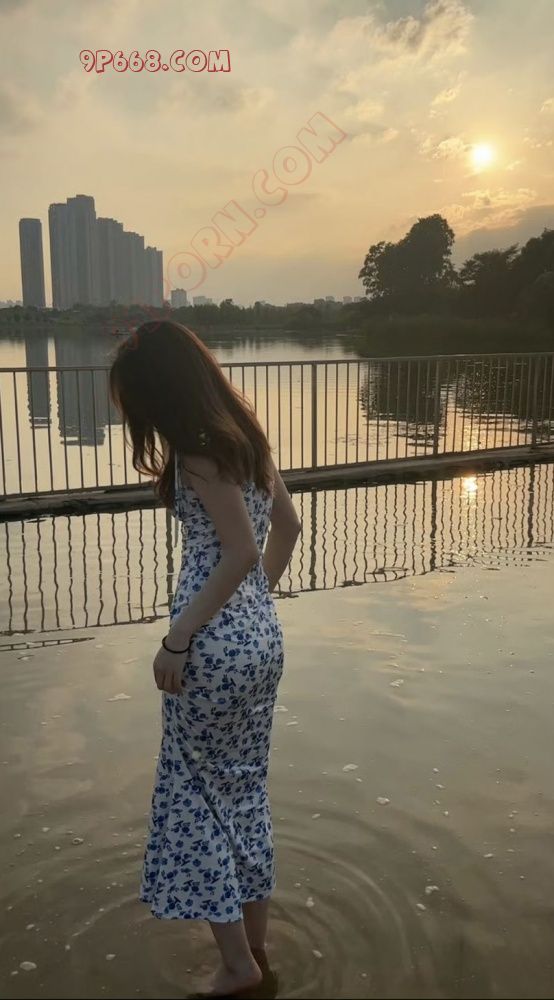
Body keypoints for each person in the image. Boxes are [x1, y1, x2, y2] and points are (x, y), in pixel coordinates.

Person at [109, 320, 301, 998]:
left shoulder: (197, 453)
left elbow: (239, 551)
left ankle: (238, 967)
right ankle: (255, 949)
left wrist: (180, 637)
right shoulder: (247, 439)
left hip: (211, 647)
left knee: (195, 796)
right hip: (259, 641)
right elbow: (287, 529)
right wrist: (252, 608)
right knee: (244, 790)